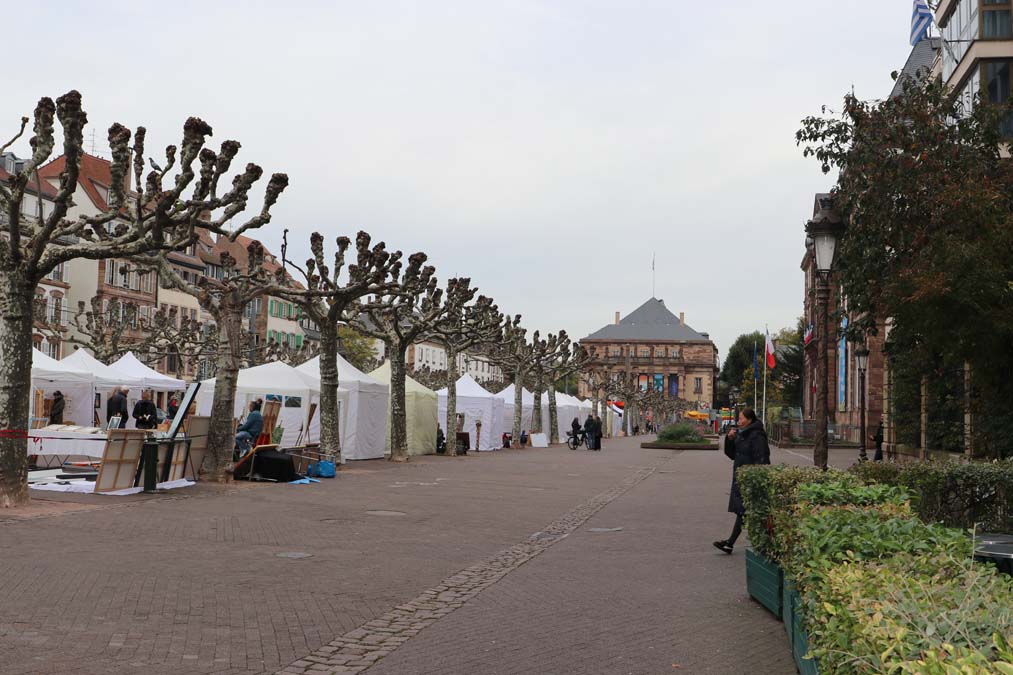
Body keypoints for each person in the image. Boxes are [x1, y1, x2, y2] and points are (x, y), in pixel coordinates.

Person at [714, 408, 770, 555]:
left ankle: (733, 543)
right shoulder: (742, 434)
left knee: (746, 511)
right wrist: (729, 439)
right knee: (744, 511)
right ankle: (731, 544)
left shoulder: (757, 435)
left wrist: (757, 477)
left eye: (741, 418)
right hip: (741, 476)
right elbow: (732, 454)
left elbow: (762, 458)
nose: (738, 421)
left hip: (751, 479)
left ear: (749, 420)